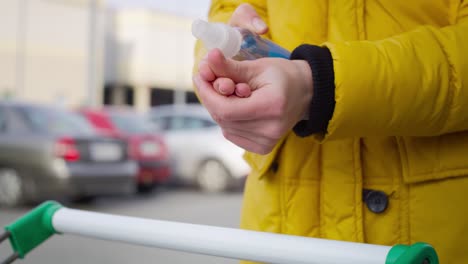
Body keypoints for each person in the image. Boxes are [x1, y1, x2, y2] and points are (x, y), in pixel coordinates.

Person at [193, 1, 468, 263]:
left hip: (429, 227)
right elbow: (225, 12)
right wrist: (214, 67)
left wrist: (324, 83)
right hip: (278, 222)